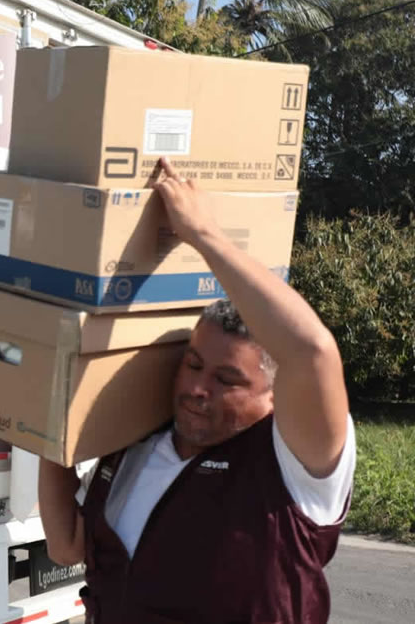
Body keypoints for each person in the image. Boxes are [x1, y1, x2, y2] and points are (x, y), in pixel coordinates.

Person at [38, 158, 355, 623]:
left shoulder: (294, 465)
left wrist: (203, 234)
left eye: (227, 380)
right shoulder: (138, 445)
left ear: (275, 393)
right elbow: (66, 546)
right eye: (193, 364)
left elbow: (312, 352)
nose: (197, 388)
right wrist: (51, 415)